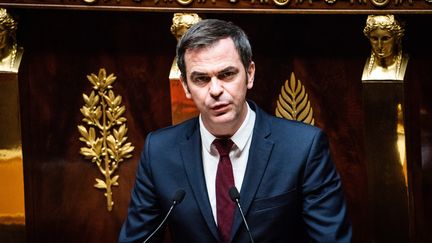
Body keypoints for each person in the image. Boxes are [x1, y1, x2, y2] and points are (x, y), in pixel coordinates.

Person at [118, 19, 352, 243]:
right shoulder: (158, 151)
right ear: (186, 87)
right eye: (201, 79)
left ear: (249, 74)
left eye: (227, 74)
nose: (216, 90)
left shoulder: (303, 147)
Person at [361, 14, 408, 81]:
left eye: (385, 39)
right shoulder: (361, 66)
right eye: (374, 38)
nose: (379, 45)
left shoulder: (408, 64)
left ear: (397, 39)